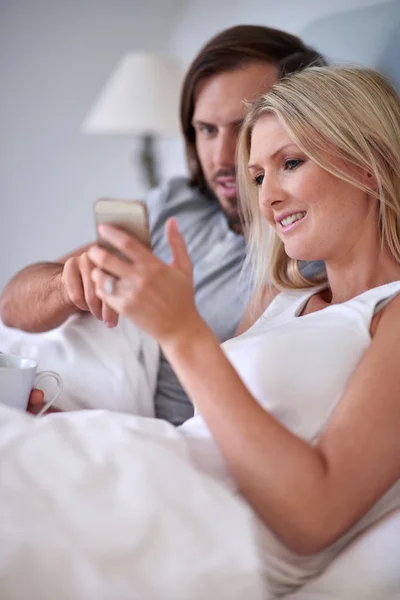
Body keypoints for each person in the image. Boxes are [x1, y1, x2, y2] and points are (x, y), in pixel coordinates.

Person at [81, 65, 400, 594]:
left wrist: (183, 334)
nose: (266, 197)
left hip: (179, 538)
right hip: (135, 481)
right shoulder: (279, 298)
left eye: (290, 164)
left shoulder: (390, 314)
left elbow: (314, 517)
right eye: (257, 176)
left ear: (370, 164)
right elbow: (208, 429)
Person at [0, 25, 325, 425]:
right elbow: (11, 306)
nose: (221, 156)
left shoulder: (304, 254)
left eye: (245, 127)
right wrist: (67, 287)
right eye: (206, 130)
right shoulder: (178, 202)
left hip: (128, 430)